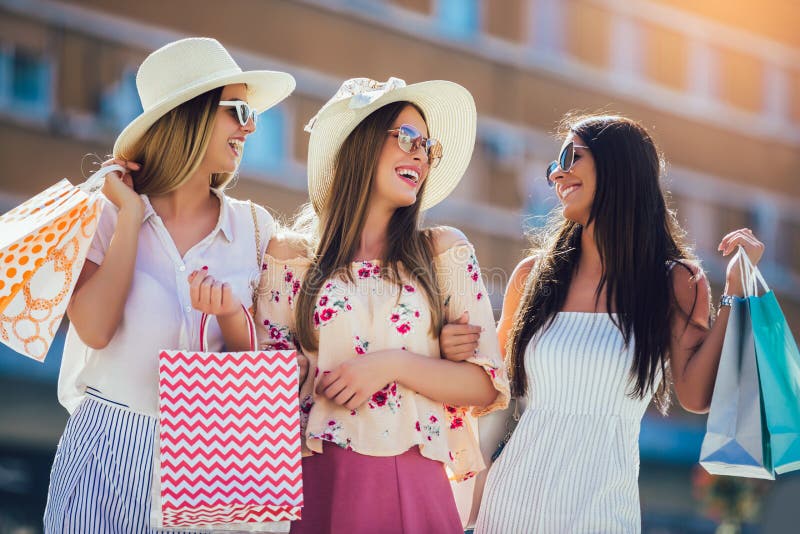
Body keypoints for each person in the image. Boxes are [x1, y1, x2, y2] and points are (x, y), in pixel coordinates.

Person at [440, 114, 765, 533]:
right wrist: (453, 349)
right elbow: (489, 387)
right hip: (509, 509)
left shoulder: (675, 282)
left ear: (617, 164)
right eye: (555, 163)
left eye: (570, 155)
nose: (557, 172)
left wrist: (736, 295)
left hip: (603, 516)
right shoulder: (532, 277)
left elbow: (695, 395)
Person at [44, 37, 295, 533]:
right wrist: (132, 217)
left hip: (215, 462)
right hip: (107, 456)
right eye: (238, 110)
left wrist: (227, 316)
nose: (251, 126)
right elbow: (94, 329)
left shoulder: (256, 228)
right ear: (192, 115)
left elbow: (268, 359)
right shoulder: (105, 215)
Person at [253, 77, 509, 533]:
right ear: (362, 144)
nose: (420, 156)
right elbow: (268, 387)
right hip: (317, 479)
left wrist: (393, 364)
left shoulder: (443, 252)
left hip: (415, 478)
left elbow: (486, 386)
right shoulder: (290, 257)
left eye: (428, 147)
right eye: (407, 138)